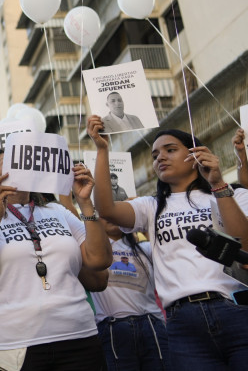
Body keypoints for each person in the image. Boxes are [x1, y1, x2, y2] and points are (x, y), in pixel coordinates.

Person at [88, 115, 248, 370]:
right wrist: (102, 149)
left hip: (236, 310)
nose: (159, 158)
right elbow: (106, 208)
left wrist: (218, 184)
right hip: (183, 324)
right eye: (154, 155)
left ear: (196, 155)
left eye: (170, 150)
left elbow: (245, 245)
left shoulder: (233, 194)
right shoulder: (150, 207)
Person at [0, 147, 111, 371]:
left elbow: (100, 261)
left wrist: (86, 203)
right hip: (11, 347)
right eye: (9, 160)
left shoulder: (57, 212)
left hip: (78, 337)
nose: (19, 164)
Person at [91, 217, 167, 371]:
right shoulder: (93, 253)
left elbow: (164, 246)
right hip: (113, 328)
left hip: (151, 324)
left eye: (113, 213)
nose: (110, 219)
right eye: (104, 215)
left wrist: (142, 219)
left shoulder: (144, 248)